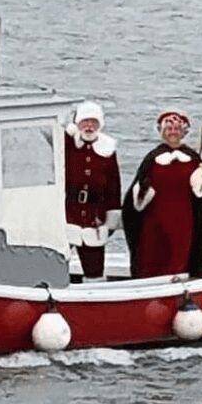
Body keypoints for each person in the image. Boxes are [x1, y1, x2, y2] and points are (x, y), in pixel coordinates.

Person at [121, 111, 202, 280]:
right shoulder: (152, 158)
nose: (173, 132)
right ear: (162, 132)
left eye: (176, 129)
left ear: (183, 132)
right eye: (169, 128)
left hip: (184, 220)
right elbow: (135, 200)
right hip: (155, 221)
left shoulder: (193, 159)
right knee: (152, 255)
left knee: (180, 255)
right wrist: (142, 189)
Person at [64, 101, 122, 282]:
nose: (89, 126)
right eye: (85, 121)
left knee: (94, 269)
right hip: (67, 214)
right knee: (58, 261)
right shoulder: (69, 144)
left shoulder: (107, 151)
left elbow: (114, 186)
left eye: (93, 122)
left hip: (94, 216)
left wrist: (111, 219)